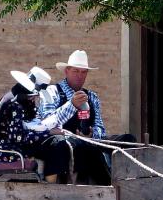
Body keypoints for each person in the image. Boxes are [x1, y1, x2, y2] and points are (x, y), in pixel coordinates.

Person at [38, 50, 136, 184]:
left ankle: (130, 182)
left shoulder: (92, 97)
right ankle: (109, 186)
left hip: (89, 141)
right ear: (67, 71)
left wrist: (91, 135)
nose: (80, 76)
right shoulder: (52, 92)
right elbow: (47, 124)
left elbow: (100, 129)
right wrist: (72, 105)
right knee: (85, 147)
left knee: (128, 139)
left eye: (83, 72)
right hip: (66, 144)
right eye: (76, 71)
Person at [0, 70, 70, 183]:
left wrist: (48, 128)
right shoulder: (13, 105)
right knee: (57, 145)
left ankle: (55, 181)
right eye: (33, 96)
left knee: (60, 142)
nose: (34, 99)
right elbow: (18, 137)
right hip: (10, 149)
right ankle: (51, 188)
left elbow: (33, 122)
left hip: (22, 143)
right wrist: (49, 133)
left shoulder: (22, 100)